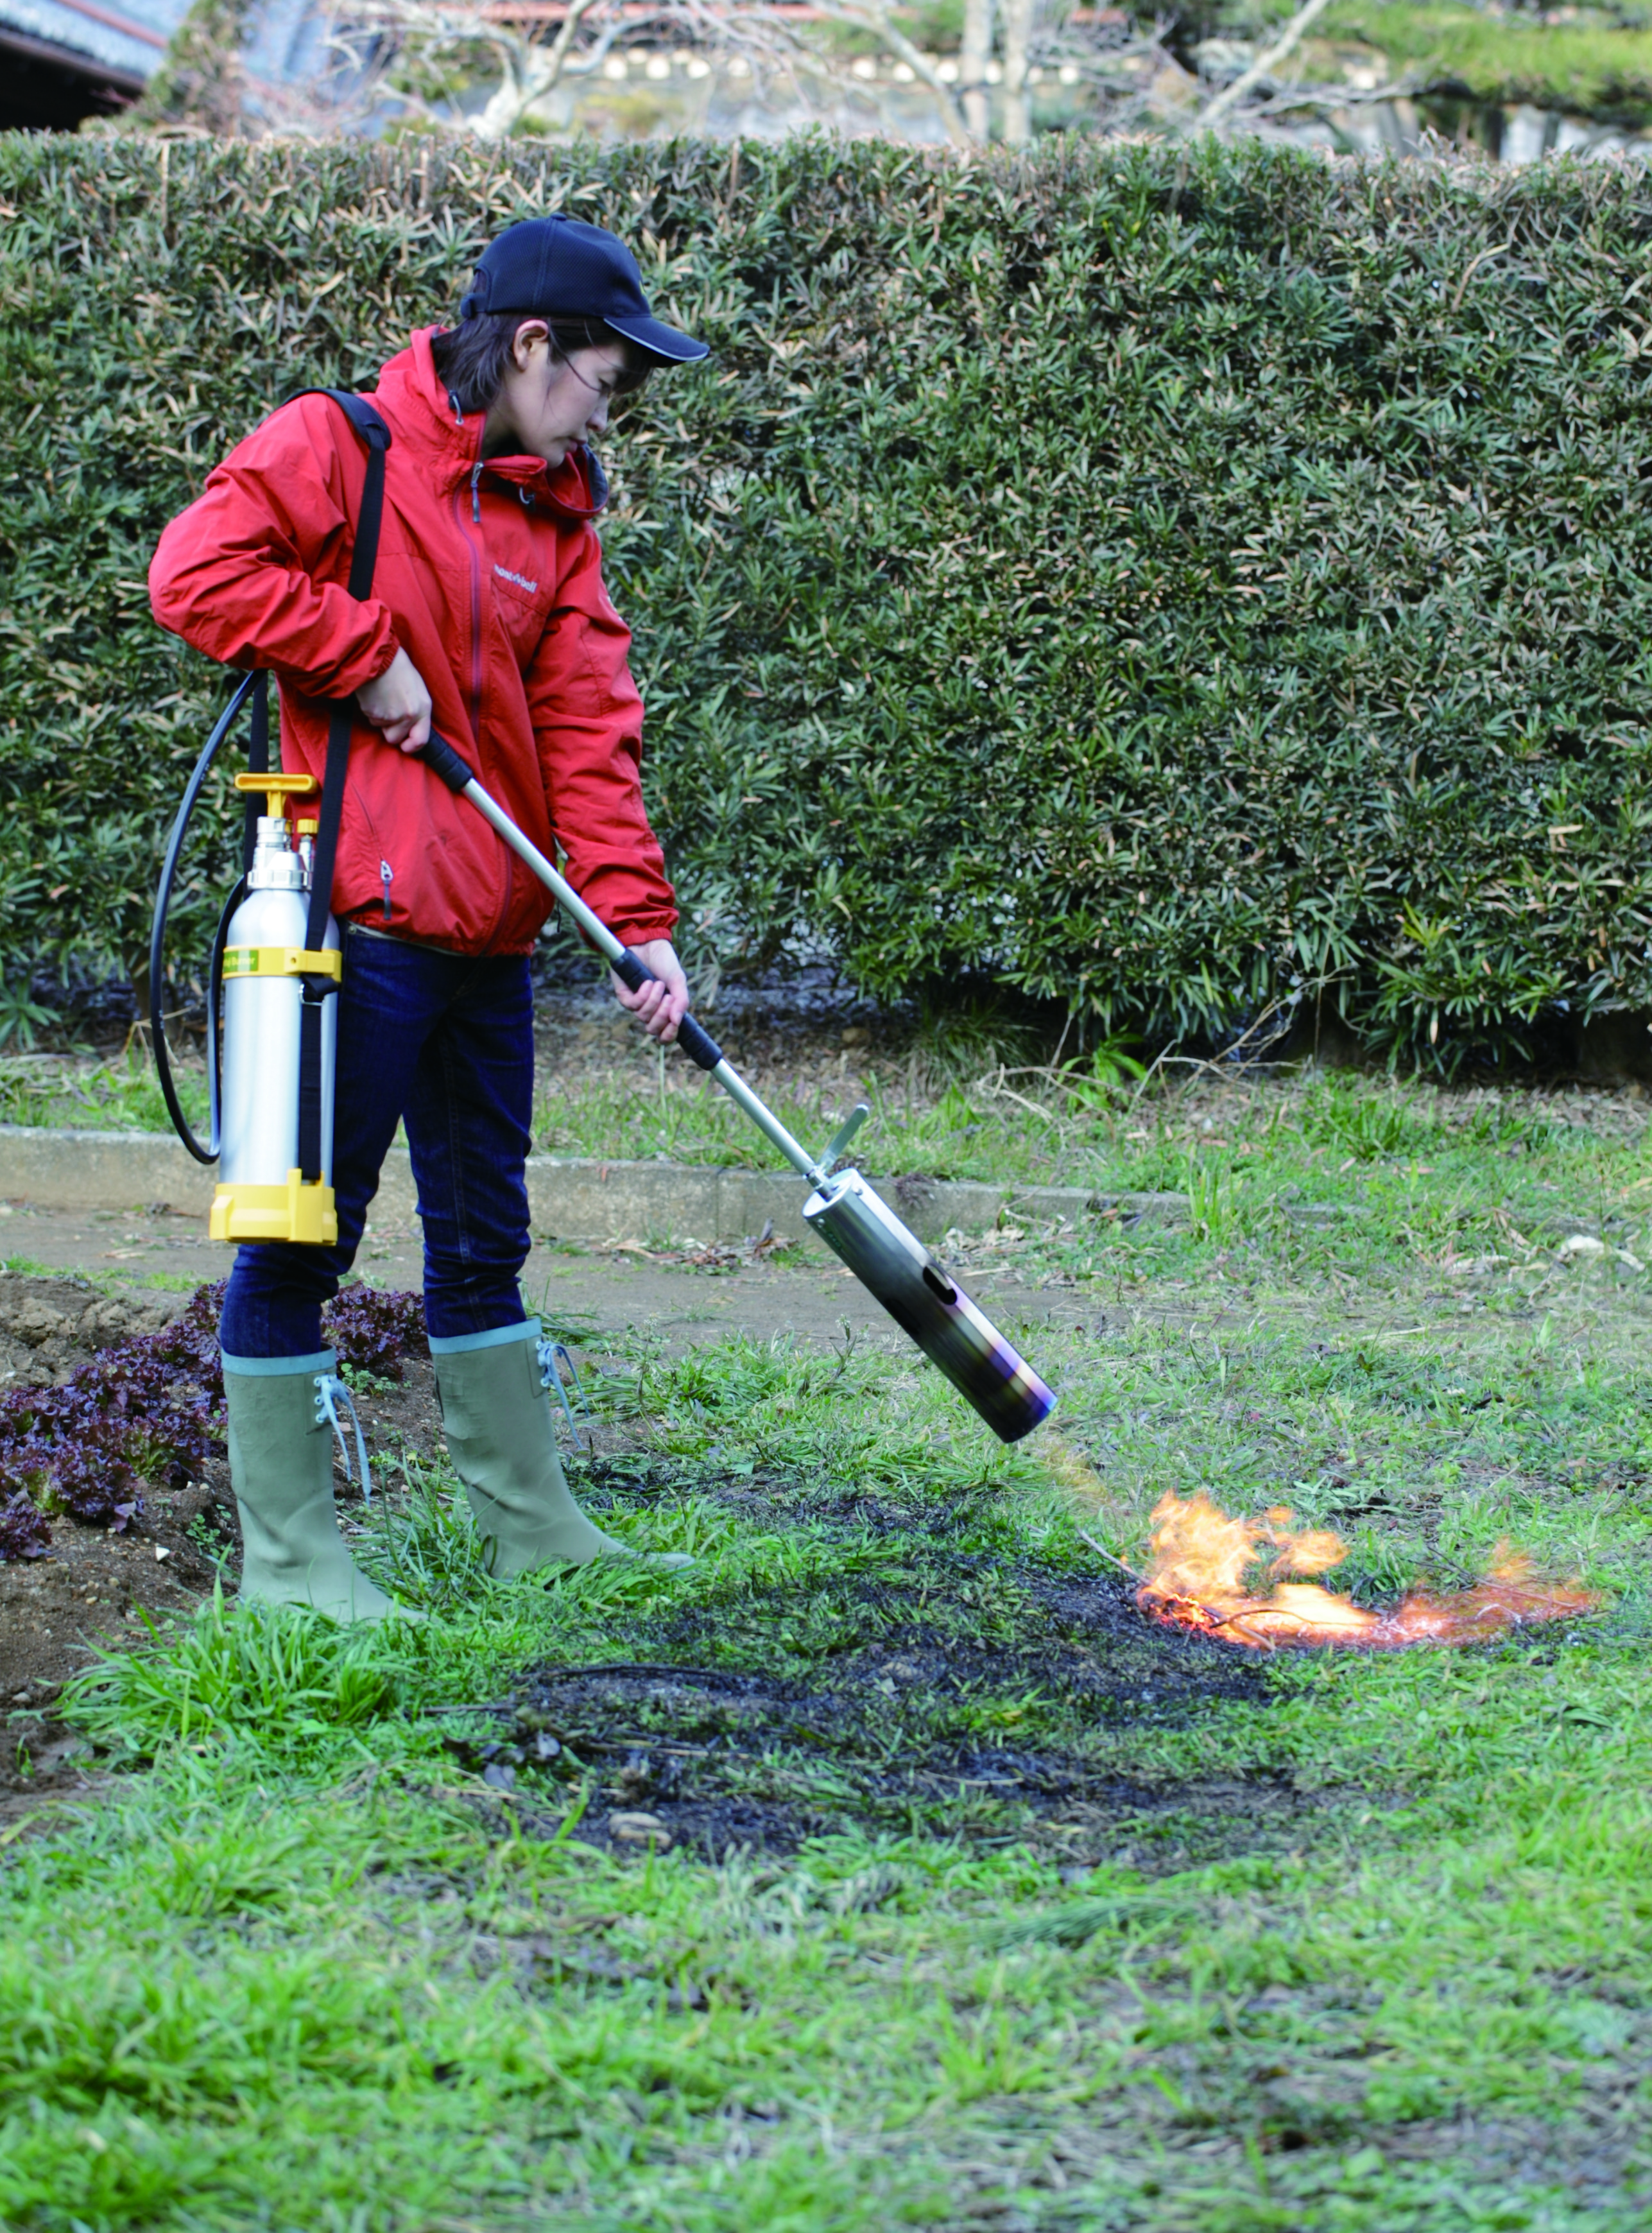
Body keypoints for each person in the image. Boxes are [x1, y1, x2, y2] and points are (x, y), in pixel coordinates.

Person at [149, 215, 707, 1621]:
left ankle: (533, 1528)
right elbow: (195, 572)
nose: (608, 412)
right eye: (602, 377)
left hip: (495, 936)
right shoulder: (347, 445)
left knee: (484, 1242)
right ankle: (294, 1567)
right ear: (529, 346)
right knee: (299, 1243)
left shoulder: (552, 504)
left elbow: (588, 723)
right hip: (361, 929)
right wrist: (360, 651)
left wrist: (634, 917)